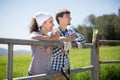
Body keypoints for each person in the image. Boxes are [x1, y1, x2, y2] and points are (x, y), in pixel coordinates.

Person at [51, 9, 85, 79]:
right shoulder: (54, 32)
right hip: (54, 70)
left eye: (70, 16)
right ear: (60, 19)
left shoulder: (70, 31)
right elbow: (51, 53)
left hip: (66, 68)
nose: (70, 18)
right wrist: (66, 47)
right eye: (67, 16)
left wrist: (71, 42)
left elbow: (82, 39)